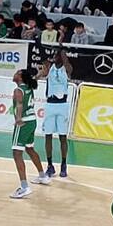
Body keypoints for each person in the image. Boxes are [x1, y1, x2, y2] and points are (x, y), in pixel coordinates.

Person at [9, 68, 44, 198]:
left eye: (17, 72)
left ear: (21, 77)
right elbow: (34, 80)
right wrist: (40, 74)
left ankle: (24, 187)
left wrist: (18, 119)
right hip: (32, 121)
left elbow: (19, 104)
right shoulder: (28, 86)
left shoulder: (18, 90)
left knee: (17, 153)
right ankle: (43, 176)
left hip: (23, 122)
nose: (15, 73)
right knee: (29, 149)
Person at [38, 50, 72, 179]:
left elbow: (67, 64)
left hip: (62, 105)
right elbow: (43, 59)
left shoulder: (67, 68)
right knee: (48, 136)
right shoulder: (49, 67)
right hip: (50, 105)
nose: (56, 58)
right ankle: (50, 165)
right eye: (56, 56)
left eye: (59, 56)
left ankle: (64, 164)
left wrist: (63, 54)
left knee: (63, 137)